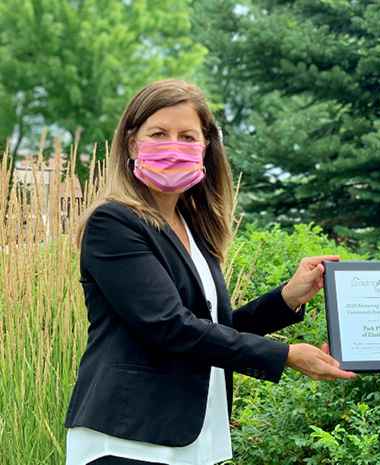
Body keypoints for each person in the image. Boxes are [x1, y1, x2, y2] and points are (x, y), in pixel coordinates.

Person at [64, 79, 356, 465]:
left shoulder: (191, 225)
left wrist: (286, 298)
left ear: (205, 147)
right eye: (159, 133)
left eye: (187, 136)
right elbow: (170, 325)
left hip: (195, 437)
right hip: (129, 438)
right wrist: (284, 355)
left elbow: (212, 327)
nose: (174, 145)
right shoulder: (113, 222)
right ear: (133, 143)